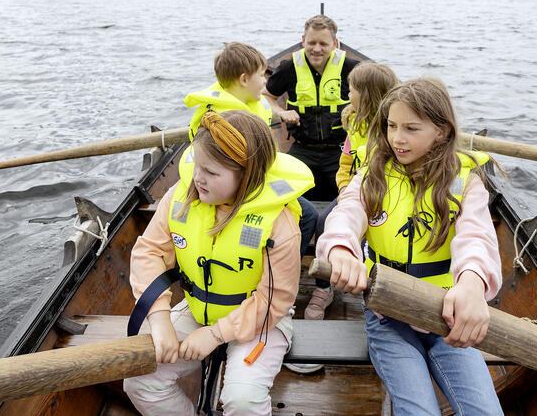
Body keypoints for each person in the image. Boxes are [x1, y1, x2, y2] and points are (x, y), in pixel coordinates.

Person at [316, 78, 504, 415]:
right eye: (391, 126)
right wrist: (342, 251)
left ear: (442, 132)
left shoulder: (465, 182)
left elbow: (476, 238)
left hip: (448, 316)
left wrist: (473, 285)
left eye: (411, 128)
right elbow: (346, 215)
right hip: (388, 315)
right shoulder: (372, 175)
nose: (397, 138)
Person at [124, 110, 314, 416]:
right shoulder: (180, 198)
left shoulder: (279, 225)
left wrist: (215, 334)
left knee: (242, 401)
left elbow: (273, 301)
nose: (198, 177)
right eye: (198, 165)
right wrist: (159, 319)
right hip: (196, 310)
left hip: (261, 322)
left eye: (211, 173)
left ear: (247, 174)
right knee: (139, 381)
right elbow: (149, 252)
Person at [184, 42, 318, 259]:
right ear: (244, 79)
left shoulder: (237, 106)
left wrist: (280, 114)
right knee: (308, 215)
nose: (265, 82)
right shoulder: (231, 121)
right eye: (262, 77)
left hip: (238, 181)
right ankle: (285, 265)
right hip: (240, 188)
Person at [304, 63, 399, 321]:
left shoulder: (393, 131)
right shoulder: (355, 125)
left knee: (377, 236)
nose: (348, 95)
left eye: (352, 90)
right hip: (354, 192)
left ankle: (373, 287)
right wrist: (345, 189)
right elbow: (345, 162)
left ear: (367, 95)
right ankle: (325, 289)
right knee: (324, 222)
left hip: (386, 198)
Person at [262, 15, 359, 202]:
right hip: (302, 149)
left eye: (323, 43)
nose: (316, 49)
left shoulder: (351, 68)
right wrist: (282, 112)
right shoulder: (289, 67)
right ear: (303, 41)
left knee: (351, 196)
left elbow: (373, 100)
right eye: (311, 42)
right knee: (276, 191)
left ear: (335, 43)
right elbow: (267, 97)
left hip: (341, 149)